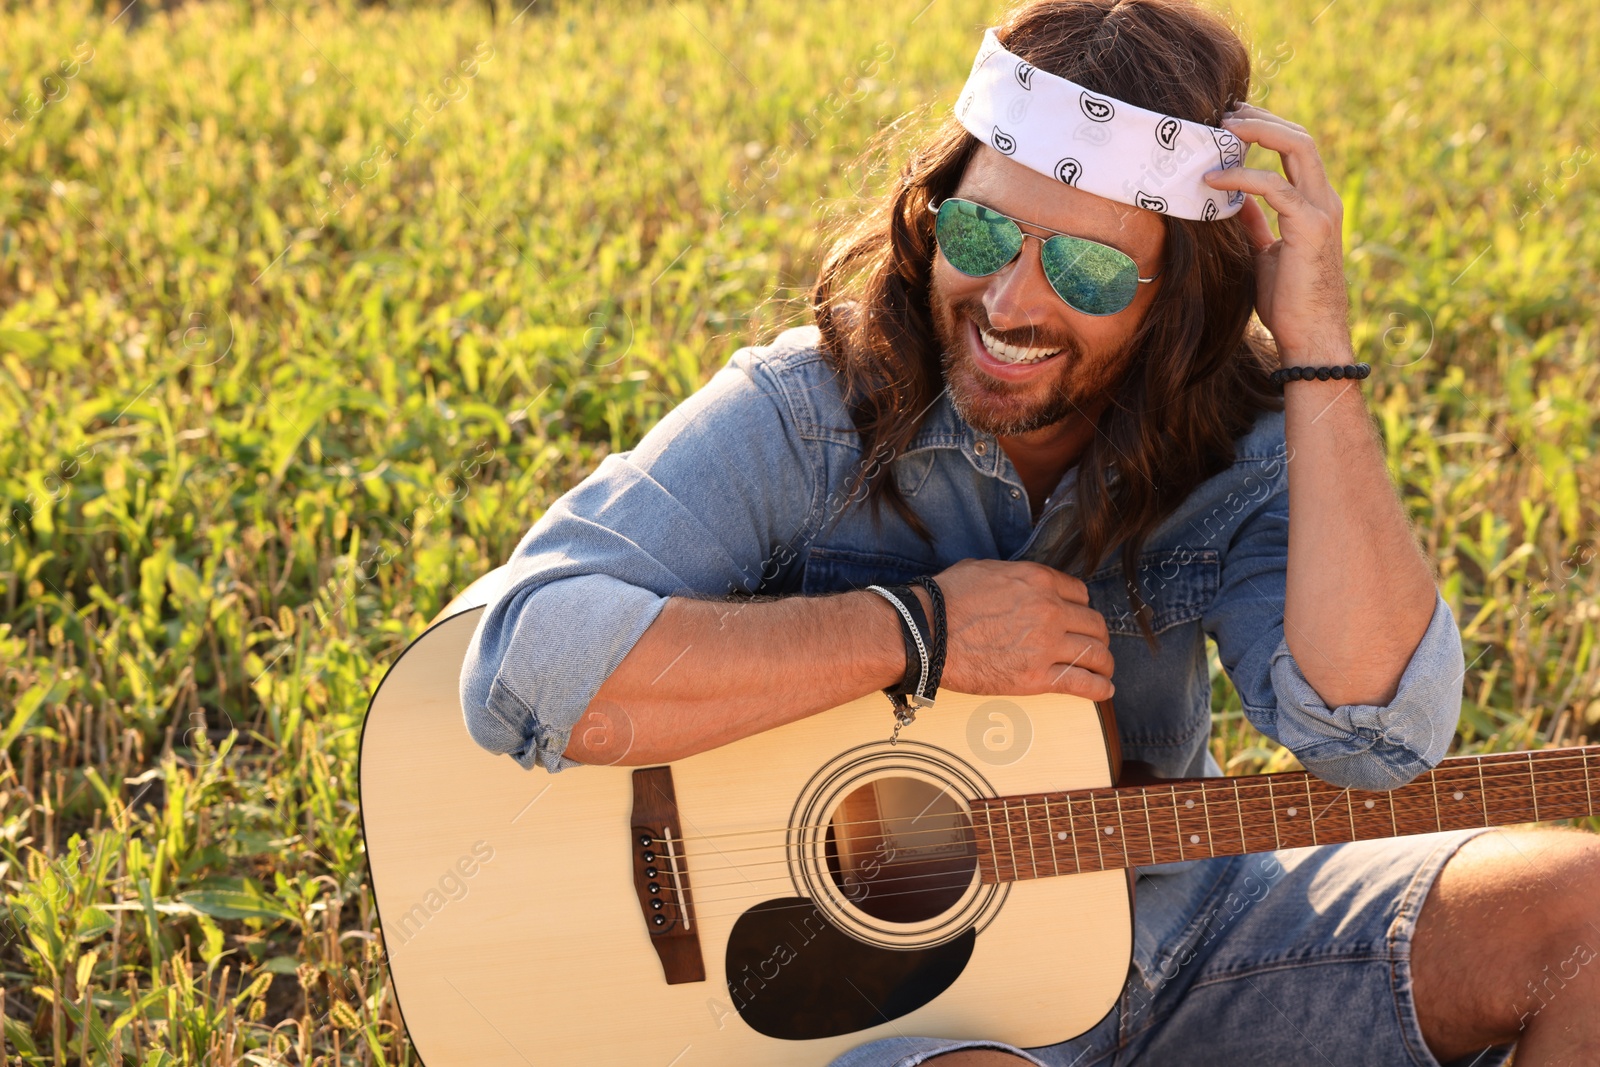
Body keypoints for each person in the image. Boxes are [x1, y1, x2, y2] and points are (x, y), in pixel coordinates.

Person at [457, 0, 1600, 1063]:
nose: (1009, 303)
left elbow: (1377, 738)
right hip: (910, 1016)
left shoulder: (1245, 451)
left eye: (1089, 266)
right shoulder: (804, 412)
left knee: (1586, 921)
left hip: (1186, 938)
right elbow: (523, 664)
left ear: (1179, 294)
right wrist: (917, 631)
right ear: (930, 209)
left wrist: (1316, 343)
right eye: (980, 228)